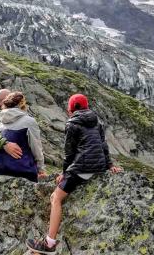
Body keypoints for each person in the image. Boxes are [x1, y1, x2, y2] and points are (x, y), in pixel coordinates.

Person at [26, 94, 122, 254]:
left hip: (82, 168)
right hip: (98, 166)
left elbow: (69, 153)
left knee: (55, 198)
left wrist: (64, 173)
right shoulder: (97, 121)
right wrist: (109, 165)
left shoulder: (72, 123)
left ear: (71, 109)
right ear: (86, 106)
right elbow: (103, 145)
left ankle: (49, 244)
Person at [0, 91, 47, 182]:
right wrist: (41, 169)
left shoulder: (0, 120)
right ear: (22, 104)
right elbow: (36, 148)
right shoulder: (29, 121)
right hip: (20, 172)